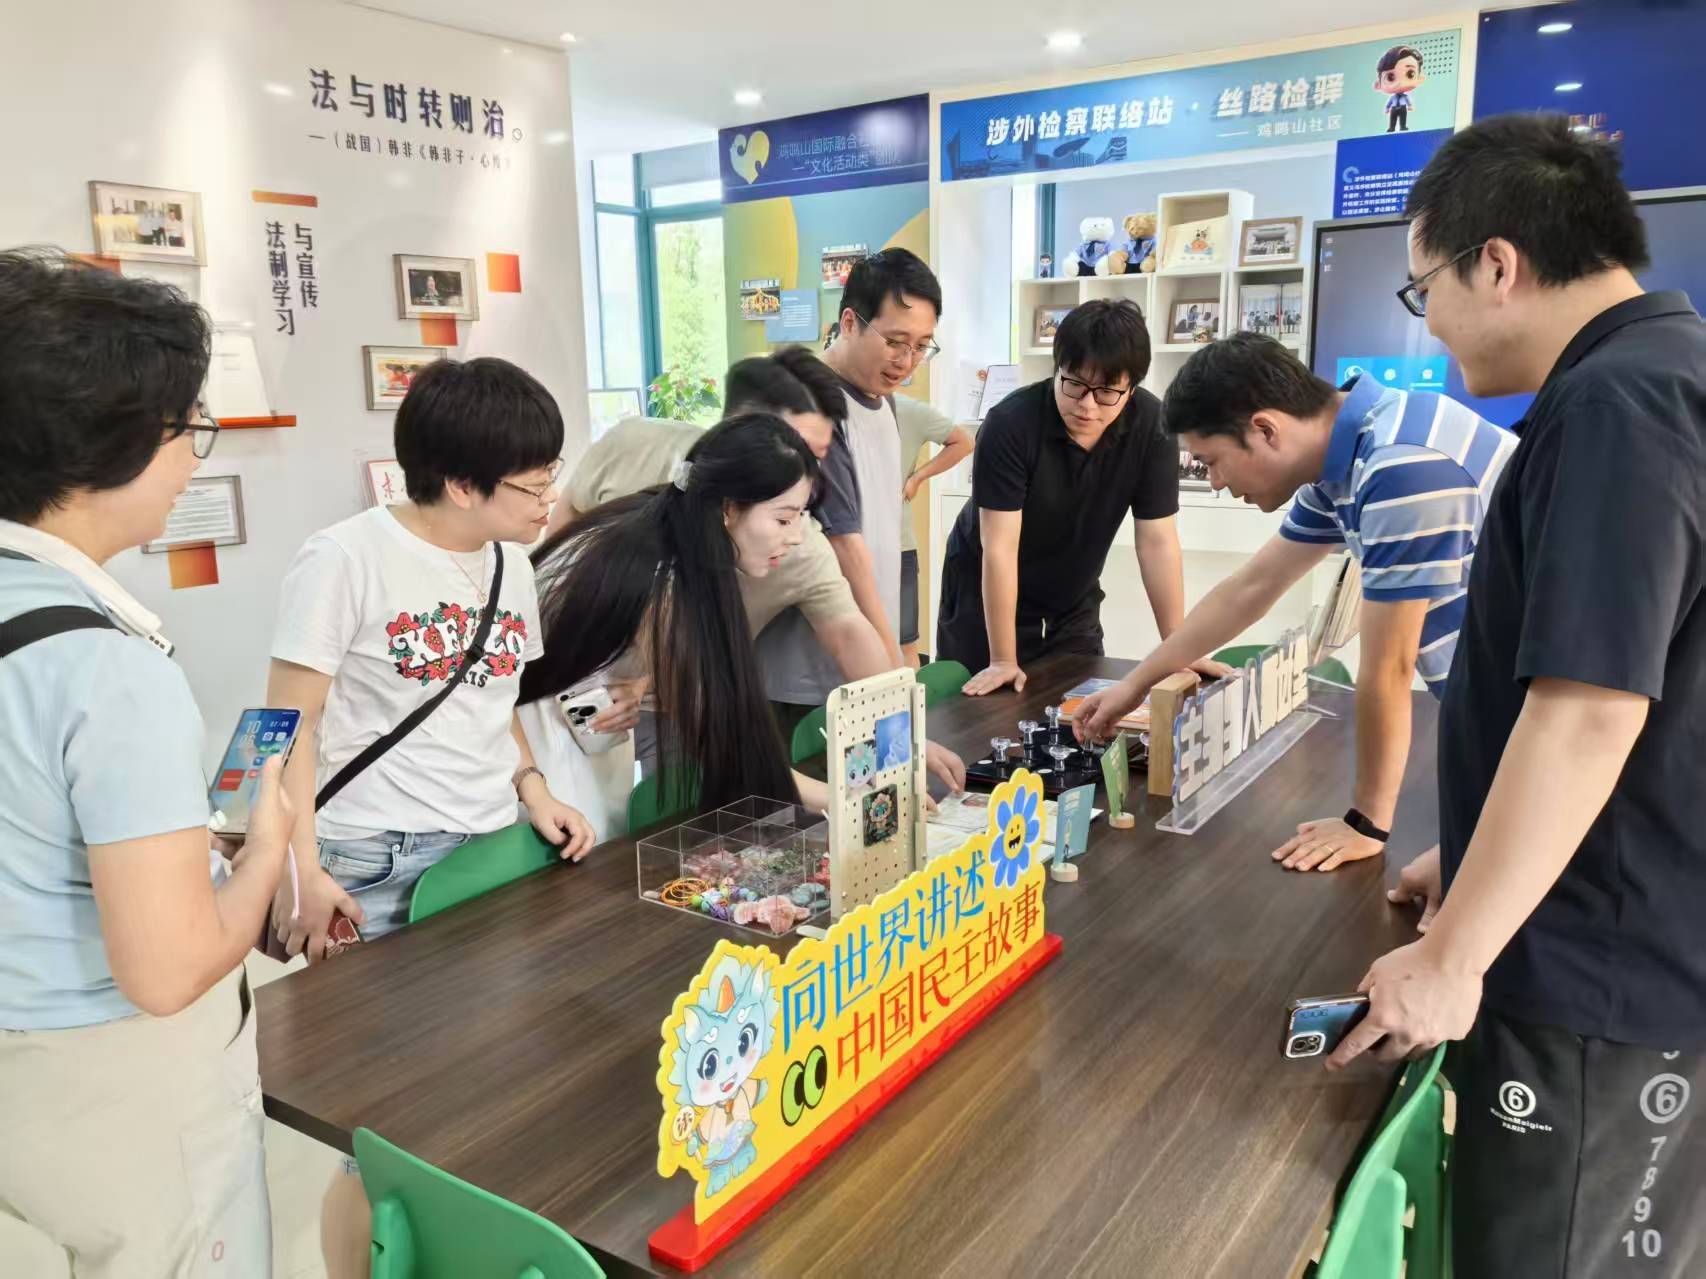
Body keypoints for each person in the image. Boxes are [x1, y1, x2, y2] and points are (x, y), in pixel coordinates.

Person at [1324, 114, 1706, 1278]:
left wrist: (1454, 954)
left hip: (1600, 976)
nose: (1428, 325)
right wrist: (1481, 853)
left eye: (1422, 289)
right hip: (1621, 924)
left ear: (1495, 264)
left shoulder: (1615, 405)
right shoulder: (1662, 372)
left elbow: (1590, 707)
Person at [266, 358, 593, 1279]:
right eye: (532, 483)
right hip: (370, 861)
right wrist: (301, 868)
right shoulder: (345, 558)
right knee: (378, 1132)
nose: (549, 499)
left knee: (478, 1093)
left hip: (485, 854)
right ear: (459, 482)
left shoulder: (512, 564)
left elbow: (496, 704)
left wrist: (534, 790)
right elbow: (284, 729)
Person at [0, 249, 290, 1275]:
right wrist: (266, 850)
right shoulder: (105, 668)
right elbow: (165, 969)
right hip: (116, 1083)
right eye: (187, 429)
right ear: (113, 441)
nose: (192, 460)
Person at [1076, 333, 1515, 873]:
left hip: (1542, 724)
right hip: (1505, 719)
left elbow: (1389, 668)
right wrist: (1135, 684)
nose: (1214, 483)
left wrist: (1366, 824)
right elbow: (1250, 588)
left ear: (1265, 429)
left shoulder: (1401, 467)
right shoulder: (1349, 456)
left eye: (1213, 462)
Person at [547, 349, 965, 801]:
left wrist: (901, 736)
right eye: (791, 450)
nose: (807, 474)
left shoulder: (792, 536)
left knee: (660, 811)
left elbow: (847, 630)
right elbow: (560, 554)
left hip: (662, 703)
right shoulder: (659, 545)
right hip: (565, 694)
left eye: (819, 456)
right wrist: (848, 800)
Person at [521, 414, 833, 813]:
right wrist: (845, 801)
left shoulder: (664, 522)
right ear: (728, 509)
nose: (796, 537)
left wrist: (639, 680)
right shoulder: (662, 576)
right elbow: (731, 744)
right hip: (538, 746)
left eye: (801, 517)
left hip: (579, 727)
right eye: (783, 519)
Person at [938, 299, 1211, 696]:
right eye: (1074, 384)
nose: (1086, 405)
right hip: (985, 590)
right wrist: (1003, 659)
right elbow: (999, 548)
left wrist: (1178, 651)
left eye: (1106, 392)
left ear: (1131, 388)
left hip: (1073, 592)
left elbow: (1157, 542)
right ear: (1057, 368)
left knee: (1081, 704)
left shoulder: (1152, 426)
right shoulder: (1010, 424)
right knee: (987, 709)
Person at [755, 249, 943, 731]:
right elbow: (846, 546)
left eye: (922, 346)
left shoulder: (883, 401)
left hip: (862, 658)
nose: (907, 361)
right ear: (849, 323)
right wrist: (893, 669)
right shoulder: (811, 403)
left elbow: (877, 535)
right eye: (895, 341)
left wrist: (889, 656)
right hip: (803, 675)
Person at [894, 395, 973, 666]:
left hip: (898, 545)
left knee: (905, 643)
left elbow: (964, 442)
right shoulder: (826, 405)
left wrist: (918, 477)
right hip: (841, 541)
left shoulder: (907, 409)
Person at [1375, 44, 1424, 133]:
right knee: (1393, 118)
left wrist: (1410, 106)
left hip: (1403, 107)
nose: (1400, 83)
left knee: (1403, 118)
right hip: (1394, 108)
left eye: (1410, 74)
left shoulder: (1405, 97)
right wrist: (1387, 108)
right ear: (1378, 85)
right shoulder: (1393, 98)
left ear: (1420, 79)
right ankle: (1392, 127)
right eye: (1390, 77)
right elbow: (1389, 103)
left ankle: (1403, 127)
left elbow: (1408, 101)